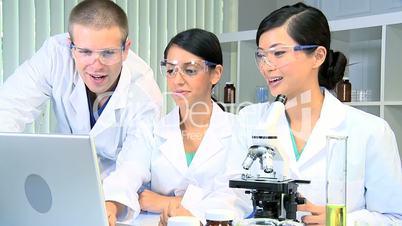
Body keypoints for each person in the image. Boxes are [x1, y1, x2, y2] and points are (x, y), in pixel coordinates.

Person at [214, 2, 402, 226]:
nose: (266, 66)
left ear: (317, 56)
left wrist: (340, 221)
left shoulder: (371, 130)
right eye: (261, 56)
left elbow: (394, 217)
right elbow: (231, 197)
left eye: (278, 53)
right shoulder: (249, 119)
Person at [0, 0, 162, 179]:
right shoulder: (55, 55)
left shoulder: (144, 92)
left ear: (125, 50)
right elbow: (8, 109)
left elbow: (134, 166)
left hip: (118, 189)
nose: (96, 65)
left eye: (108, 53)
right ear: (71, 46)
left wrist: (111, 204)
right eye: (85, 52)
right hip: (63, 176)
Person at [103, 28, 235, 226]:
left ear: (215, 74)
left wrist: (169, 203)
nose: (177, 80)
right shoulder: (152, 128)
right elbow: (128, 171)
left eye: (190, 70)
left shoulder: (238, 130)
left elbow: (236, 196)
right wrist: (111, 205)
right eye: (171, 70)